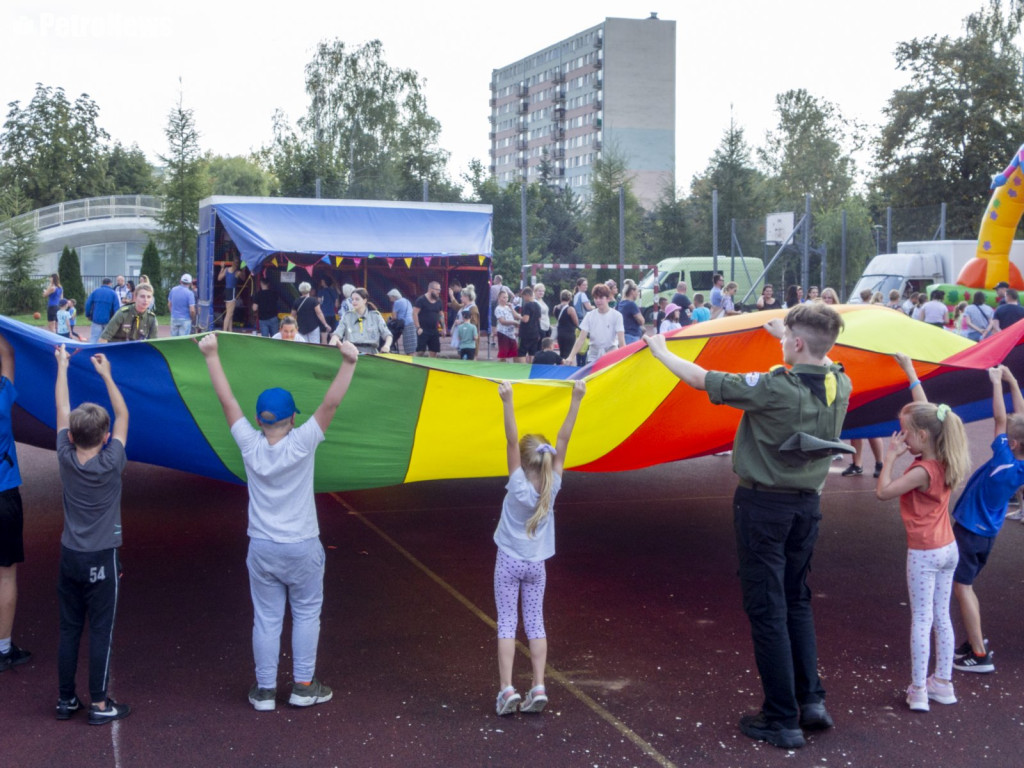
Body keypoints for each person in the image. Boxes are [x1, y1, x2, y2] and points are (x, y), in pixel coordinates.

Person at [646, 302, 852, 749]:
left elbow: (704, 380)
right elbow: (822, 358)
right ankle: (810, 701)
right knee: (796, 601)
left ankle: (781, 718)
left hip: (764, 508)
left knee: (767, 609)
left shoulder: (776, 388)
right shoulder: (841, 380)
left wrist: (661, 352)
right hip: (807, 509)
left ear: (796, 344)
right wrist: (787, 336)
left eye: (786, 339)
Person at [198, 333, 359, 712]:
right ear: (292, 419)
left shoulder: (250, 445)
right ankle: (303, 686)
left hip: (263, 548)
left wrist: (211, 355)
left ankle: (265, 690)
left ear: (258, 419)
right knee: (306, 613)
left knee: (267, 619)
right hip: (302, 545)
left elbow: (227, 400)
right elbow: (331, 402)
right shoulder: (302, 442)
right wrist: (349, 362)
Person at [876, 353, 970, 712]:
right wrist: (910, 372)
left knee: (922, 619)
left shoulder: (920, 470)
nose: (902, 438)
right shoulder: (947, 454)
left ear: (921, 436)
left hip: (924, 553)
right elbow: (928, 411)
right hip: (948, 548)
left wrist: (892, 457)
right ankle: (942, 683)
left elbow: (883, 492)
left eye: (906, 434)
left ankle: (918, 689)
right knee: (942, 616)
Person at [494, 378, 585, 716]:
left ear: (525, 462)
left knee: (507, 623)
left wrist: (507, 400)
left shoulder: (517, 483)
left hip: (508, 561)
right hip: (537, 566)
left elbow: (509, 439)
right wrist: (576, 398)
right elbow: (564, 437)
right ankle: (538, 686)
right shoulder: (554, 485)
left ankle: (507, 690)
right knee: (535, 623)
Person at [53, 344, 131, 724]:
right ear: (104, 438)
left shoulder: (65, 457)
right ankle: (100, 704)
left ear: (70, 436)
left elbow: (60, 411)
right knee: (100, 629)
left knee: (69, 628)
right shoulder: (112, 461)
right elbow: (123, 414)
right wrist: (107, 375)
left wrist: (62, 366)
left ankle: (66, 700)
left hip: (70, 555)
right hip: (102, 557)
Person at [949, 365, 1024, 674]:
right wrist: (1013, 381)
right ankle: (973, 640)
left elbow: (1000, 418)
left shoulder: (1004, 459)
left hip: (970, 531)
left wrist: (996, 383)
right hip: (987, 533)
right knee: (966, 585)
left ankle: (979, 653)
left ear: (1014, 443)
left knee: (962, 587)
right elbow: (1017, 418)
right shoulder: (1018, 465)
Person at [0, 332, 30, 673]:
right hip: (4, 496)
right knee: (5, 575)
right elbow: (8, 352)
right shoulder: (2, 397)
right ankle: (3, 649)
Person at [566, 284, 624, 366]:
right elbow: (581, 339)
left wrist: (625, 356)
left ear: (608, 298)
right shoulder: (589, 315)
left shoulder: (617, 316)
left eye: (601, 298)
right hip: (593, 356)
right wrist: (571, 356)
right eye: (596, 298)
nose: (598, 301)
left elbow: (621, 340)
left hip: (612, 355)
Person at [331, 288, 392, 355]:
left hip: (371, 354)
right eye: (352, 299)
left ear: (364, 300)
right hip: (350, 353)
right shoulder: (347, 316)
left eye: (357, 299)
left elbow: (387, 335)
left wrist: (386, 346)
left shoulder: (376, 316)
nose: (353, 302)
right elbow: (337, 334)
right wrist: (331, 345)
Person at [414, 281, 446, 358]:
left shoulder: (439, 301)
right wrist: (418, 327)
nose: (439, 292)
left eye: (439, 290)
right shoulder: (421, 300)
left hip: (434, 330)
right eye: (437, 290)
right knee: (420, 351)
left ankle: (430, 367)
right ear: (431, 289)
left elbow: (441, 315)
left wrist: (443, 328)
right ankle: (416, 366)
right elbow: (414, 313)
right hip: (423, 330)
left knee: (434, 351)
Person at [85, 278, 120, 344]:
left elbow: (88, 304)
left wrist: (88, 314)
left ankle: (92, 352)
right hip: (109, 320)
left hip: (96, 319)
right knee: (108, 338)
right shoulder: (113, 293)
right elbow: (116, 308)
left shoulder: (95, 291)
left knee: (94, 338)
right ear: (110, 283)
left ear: (102, 283)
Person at [516, 287, 543, 363]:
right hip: (535, 332)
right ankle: (531, 369)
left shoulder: (527, 305)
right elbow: (539, 318)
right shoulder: (537, 305)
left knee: (522, 352)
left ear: (527, 295)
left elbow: (525, 319)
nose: (524, 298)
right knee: (532, 352)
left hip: (526, 332)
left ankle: (523, 369)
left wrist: (518, 316)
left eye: (523, 296)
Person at [387, 288, 417, 355]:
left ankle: (409, 359)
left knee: (407, 343)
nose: (389, 299)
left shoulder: (397, 302)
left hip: (405, 324)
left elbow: (394, 317)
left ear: (394, 296)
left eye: (390, 297)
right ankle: (413, 358)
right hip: (412, 323)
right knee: (412, 344)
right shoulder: (407, 300)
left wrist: (390, 320)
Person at [493, 289, 520, 362]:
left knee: (516, 352)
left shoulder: (508, 307)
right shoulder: (498, 309)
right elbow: (502, 321)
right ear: (499, 298)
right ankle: (501, 368)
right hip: (503, 333)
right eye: (503, 297)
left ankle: (517, 368)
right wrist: (514, 322)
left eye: (507, 297)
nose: (505, 299)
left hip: (511, 334)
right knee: (503, 354)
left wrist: (511, 308)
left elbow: (516, 316)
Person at [554, 290, 578, 362]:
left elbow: (557, 318)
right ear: (570, 298)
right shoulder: (570, 309)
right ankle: (567, 368)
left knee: (562, 352)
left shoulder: (555, 308)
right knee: (568, 353)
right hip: (569, 333)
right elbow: (576, 322)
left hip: (560, 332)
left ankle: (561, 366)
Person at [317, 276, 339, 343]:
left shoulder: (320, 292)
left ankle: (324, 352)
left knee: (324, 336)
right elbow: (336, 305)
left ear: (324, 282)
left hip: (323, 316)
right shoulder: (334, 291)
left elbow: (318, 303)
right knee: (332, 336)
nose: (321, 282)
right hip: (332, 315)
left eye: (322, 281)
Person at [219, 262, 239, 332]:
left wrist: (222, 268)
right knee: (229, 313)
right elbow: (243, 277)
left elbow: (219, 278)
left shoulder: (226, 269)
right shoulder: (236, 272)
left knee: (230, 313)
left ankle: (230, 330)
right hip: (231, 291)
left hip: (227, 291)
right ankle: (224, 330)